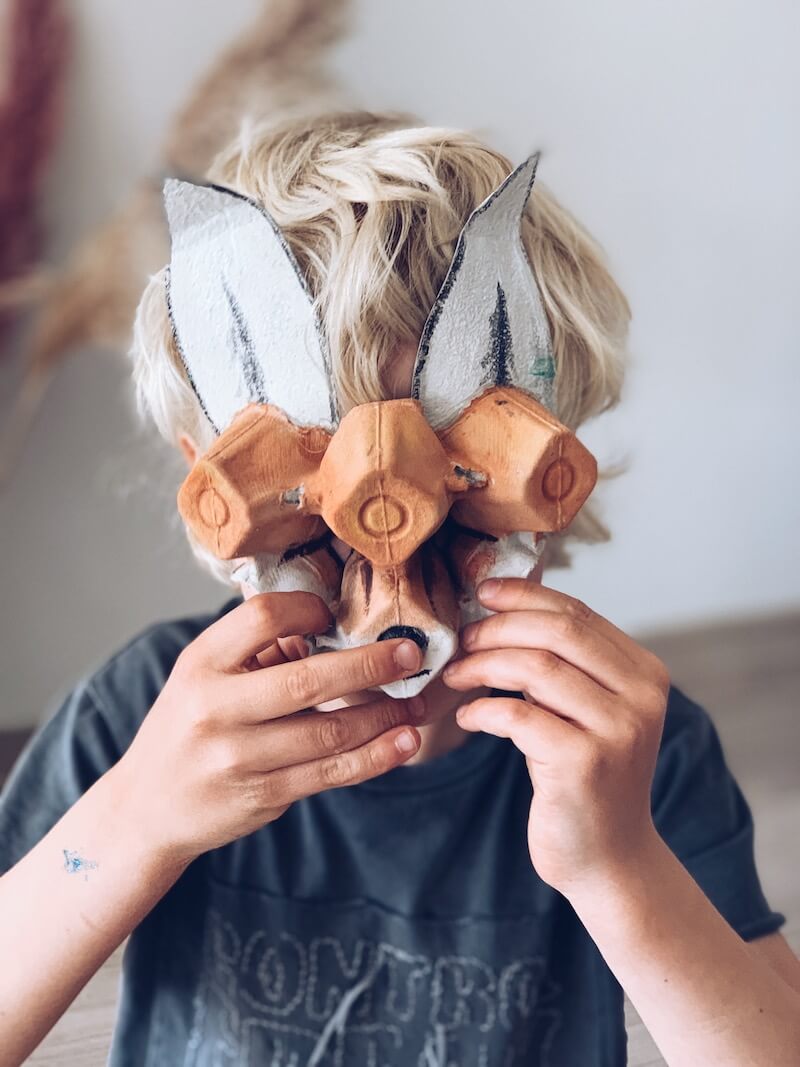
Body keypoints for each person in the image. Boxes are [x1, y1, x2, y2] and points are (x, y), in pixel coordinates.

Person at [1, 112, 798, 1067]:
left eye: (460, 504)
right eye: (314, 524)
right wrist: (136, 820)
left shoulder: (628, 751)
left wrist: (621, 865)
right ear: (217, 493)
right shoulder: (142, 718)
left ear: (552, 477)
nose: (393, 597)